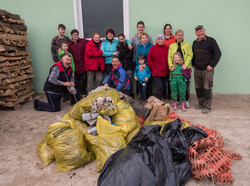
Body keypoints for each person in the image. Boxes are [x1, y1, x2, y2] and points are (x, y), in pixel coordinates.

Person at [192, 25, 221, 114]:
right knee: (199, 88)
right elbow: (193, 54)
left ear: (204, 31)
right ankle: (201, 103)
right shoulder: (195, 42)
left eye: (201, 31)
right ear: (196, 33)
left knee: (207, 88)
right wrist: (193, 64)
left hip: (207, 70)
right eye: (198, 32)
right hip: (197, 70)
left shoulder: (211, 41)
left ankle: (207, 106)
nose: (200, 33)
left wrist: (212, 65)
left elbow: (218, 53)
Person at [168, 29, 193, 108]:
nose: (179, 37)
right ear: (175, 36)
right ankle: (176, 100)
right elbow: (169, 57)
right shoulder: (172, 46)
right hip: (175, 69)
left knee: (185, 85)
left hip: (185, 68)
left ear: (183, 36)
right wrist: (171, 66)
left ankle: (186, 100)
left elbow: (190, 55)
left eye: (181, 35)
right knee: (175, 86)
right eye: (178, 35)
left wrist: (186, 64)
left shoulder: (187, 44)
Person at [147, 34, 169, 100]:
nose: (160, 40)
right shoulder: (153, 48)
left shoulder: (167, 48)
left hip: (165, 72)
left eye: (161, 39)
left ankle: (159, 100)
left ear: (164, 40)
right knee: (160, 87)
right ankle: (158, 101)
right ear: (156, 40)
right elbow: (149, 60)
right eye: (158, 39)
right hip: (156, 72)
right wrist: (153, 68)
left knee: (163, 87)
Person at [68, 29, 89, 97]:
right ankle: (79, 92)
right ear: (71, 35)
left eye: (76, 34)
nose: (75, 36)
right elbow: (65, 50)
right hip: (75, 64)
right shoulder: (69, 44)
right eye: (74, 34)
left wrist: (101, 40)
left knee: (84, 78)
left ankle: (84, 90)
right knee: (77, 80)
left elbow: (92, 41)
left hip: (82, 64)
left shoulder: (82, 41)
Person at [135, 32, 153, 99]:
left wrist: (146, 64)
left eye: (146, 38)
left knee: (148, 82)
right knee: (140, 83)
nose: (144, 39)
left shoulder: (151, 46)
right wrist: (139, 65)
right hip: (140, 67)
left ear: (147, 38)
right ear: (141, 39)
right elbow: (137, 56)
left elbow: (151, 56)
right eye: (143, 38)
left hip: (148, 66)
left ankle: (149, 97)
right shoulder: (139, 47)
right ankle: (142, 97)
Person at [116, 33, 134, 98]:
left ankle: (131, 94)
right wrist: (121, 44)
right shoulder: (118, 46)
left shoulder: (130, 45)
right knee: (122, 80)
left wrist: (123, 57)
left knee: (129, 80)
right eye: (120, 39)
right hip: (122, 66)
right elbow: (121, 55)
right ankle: (123, 95)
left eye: (122, 39)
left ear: (125, 38)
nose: (121, 40)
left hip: (129, 66)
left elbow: (130, 54)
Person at [163, 23, 176, 99]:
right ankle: (164, 93)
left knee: (170, 78)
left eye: (169, 28)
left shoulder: (174, 38)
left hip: (172, 60)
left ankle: (170, 94)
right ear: (164, 30)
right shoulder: (161, 37)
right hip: (164, 60)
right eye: (166, 29)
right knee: (164, 78)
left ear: (171, 30)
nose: (167, 30)